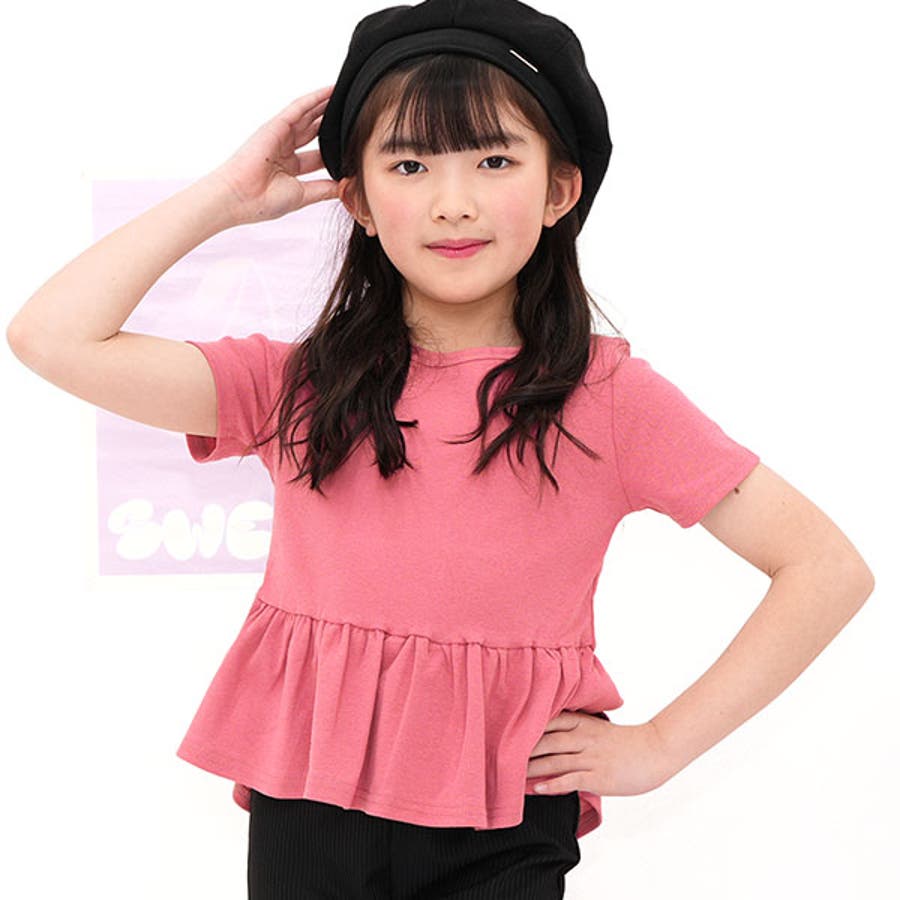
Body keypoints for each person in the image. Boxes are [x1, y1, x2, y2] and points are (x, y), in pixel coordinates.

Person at [6, 0, 875, 897]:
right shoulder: (297, 384)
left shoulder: (609, 398)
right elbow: (50, 337)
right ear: (358, 201)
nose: (452, 203)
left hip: (507, 811)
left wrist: (659, 746)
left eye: (494, 160)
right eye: (409, 165)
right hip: (307, 798)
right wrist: (226, 199)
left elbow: (824, 567)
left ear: (559, 190)